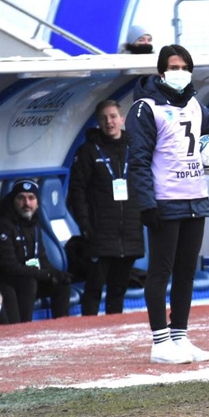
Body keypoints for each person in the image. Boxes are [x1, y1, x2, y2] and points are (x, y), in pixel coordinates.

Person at [126, 44, 209, 364]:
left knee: (186, 272)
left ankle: (180, 336)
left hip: (196, 197)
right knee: (160, 272)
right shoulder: (145, 108)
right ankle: (160, 342)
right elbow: (138, 161)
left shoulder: (196, 105)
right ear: (161, 71)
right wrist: (147, 204)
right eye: (174, 67)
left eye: (184, 67)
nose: (180, 72)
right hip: (165, 201)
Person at [67, 100, 145, 315]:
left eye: (113, 116)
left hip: (129, 231)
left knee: (118, 290)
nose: (109, 122)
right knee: (94, 288)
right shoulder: (88, 151)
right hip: (99, 232)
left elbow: (146, 182)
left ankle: (115, 330)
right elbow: (77, 191)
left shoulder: (134, 147)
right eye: (103, 118)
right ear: (98, 122)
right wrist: (85, 224)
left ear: (122, 119)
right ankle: (88, 330)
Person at [0, 179, 72, 324]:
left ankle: (62, 328)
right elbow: (9, 267)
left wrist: (55, 274)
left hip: (28, 277)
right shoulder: (2, 225)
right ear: (13, 200)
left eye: (31, 198)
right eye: (21, 198)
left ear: (37, 203)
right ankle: (25, 329)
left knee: (61, 284)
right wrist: (44, 274)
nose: (26, 203)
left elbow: (41, 258)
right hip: (7, 281)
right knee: (28, 282)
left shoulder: (34, 223)